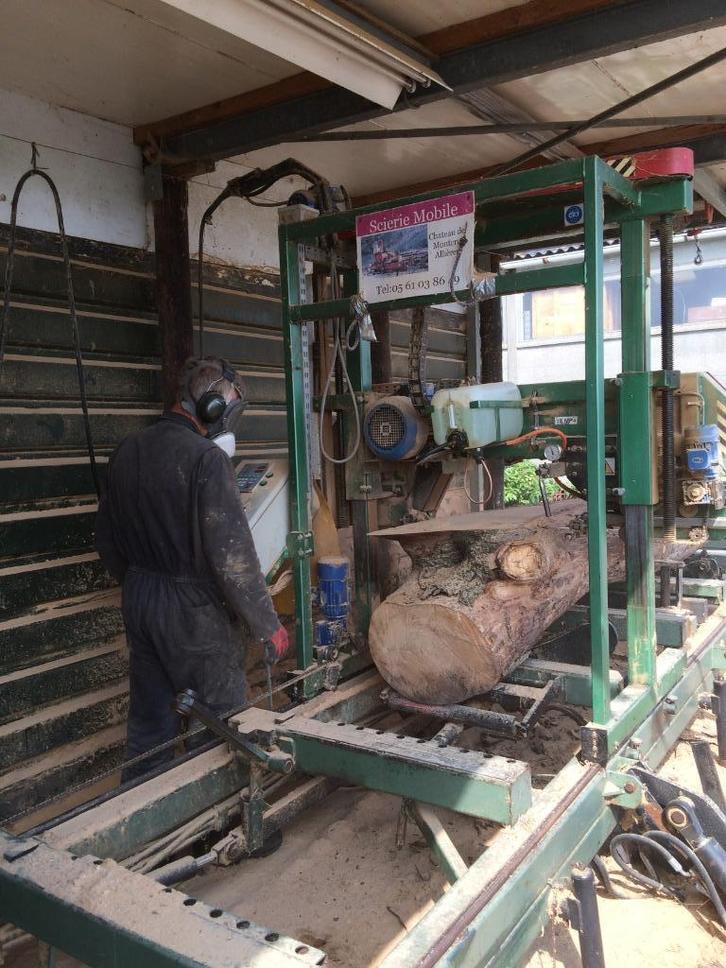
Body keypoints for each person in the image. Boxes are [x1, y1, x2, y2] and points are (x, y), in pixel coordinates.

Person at [95, 356, 288, 781]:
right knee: (220, 723)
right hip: (192, 610)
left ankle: (147, 827)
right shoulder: (207, 460)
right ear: (212, 407)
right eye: (230, 408)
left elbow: (105, 539)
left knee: (150, 725)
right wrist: (266, 623)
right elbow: (232, 556)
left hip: (140, 599)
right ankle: (220, 831)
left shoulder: (127, 451)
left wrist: (140, 585)